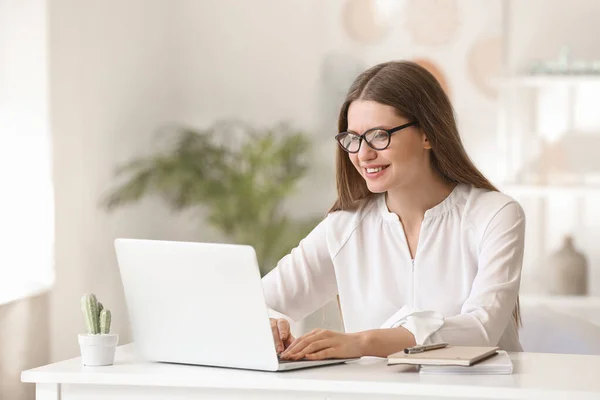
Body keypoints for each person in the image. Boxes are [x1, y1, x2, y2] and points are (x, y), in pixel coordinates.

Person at [262, 61, 525, 361]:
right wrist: (269, 325)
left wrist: (362, 342)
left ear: (428, 134)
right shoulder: (344, 228)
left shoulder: (496, 215)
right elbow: (254, 302)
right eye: (353, 139)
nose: (362, 154)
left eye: (378, 135)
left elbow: (480, 329)